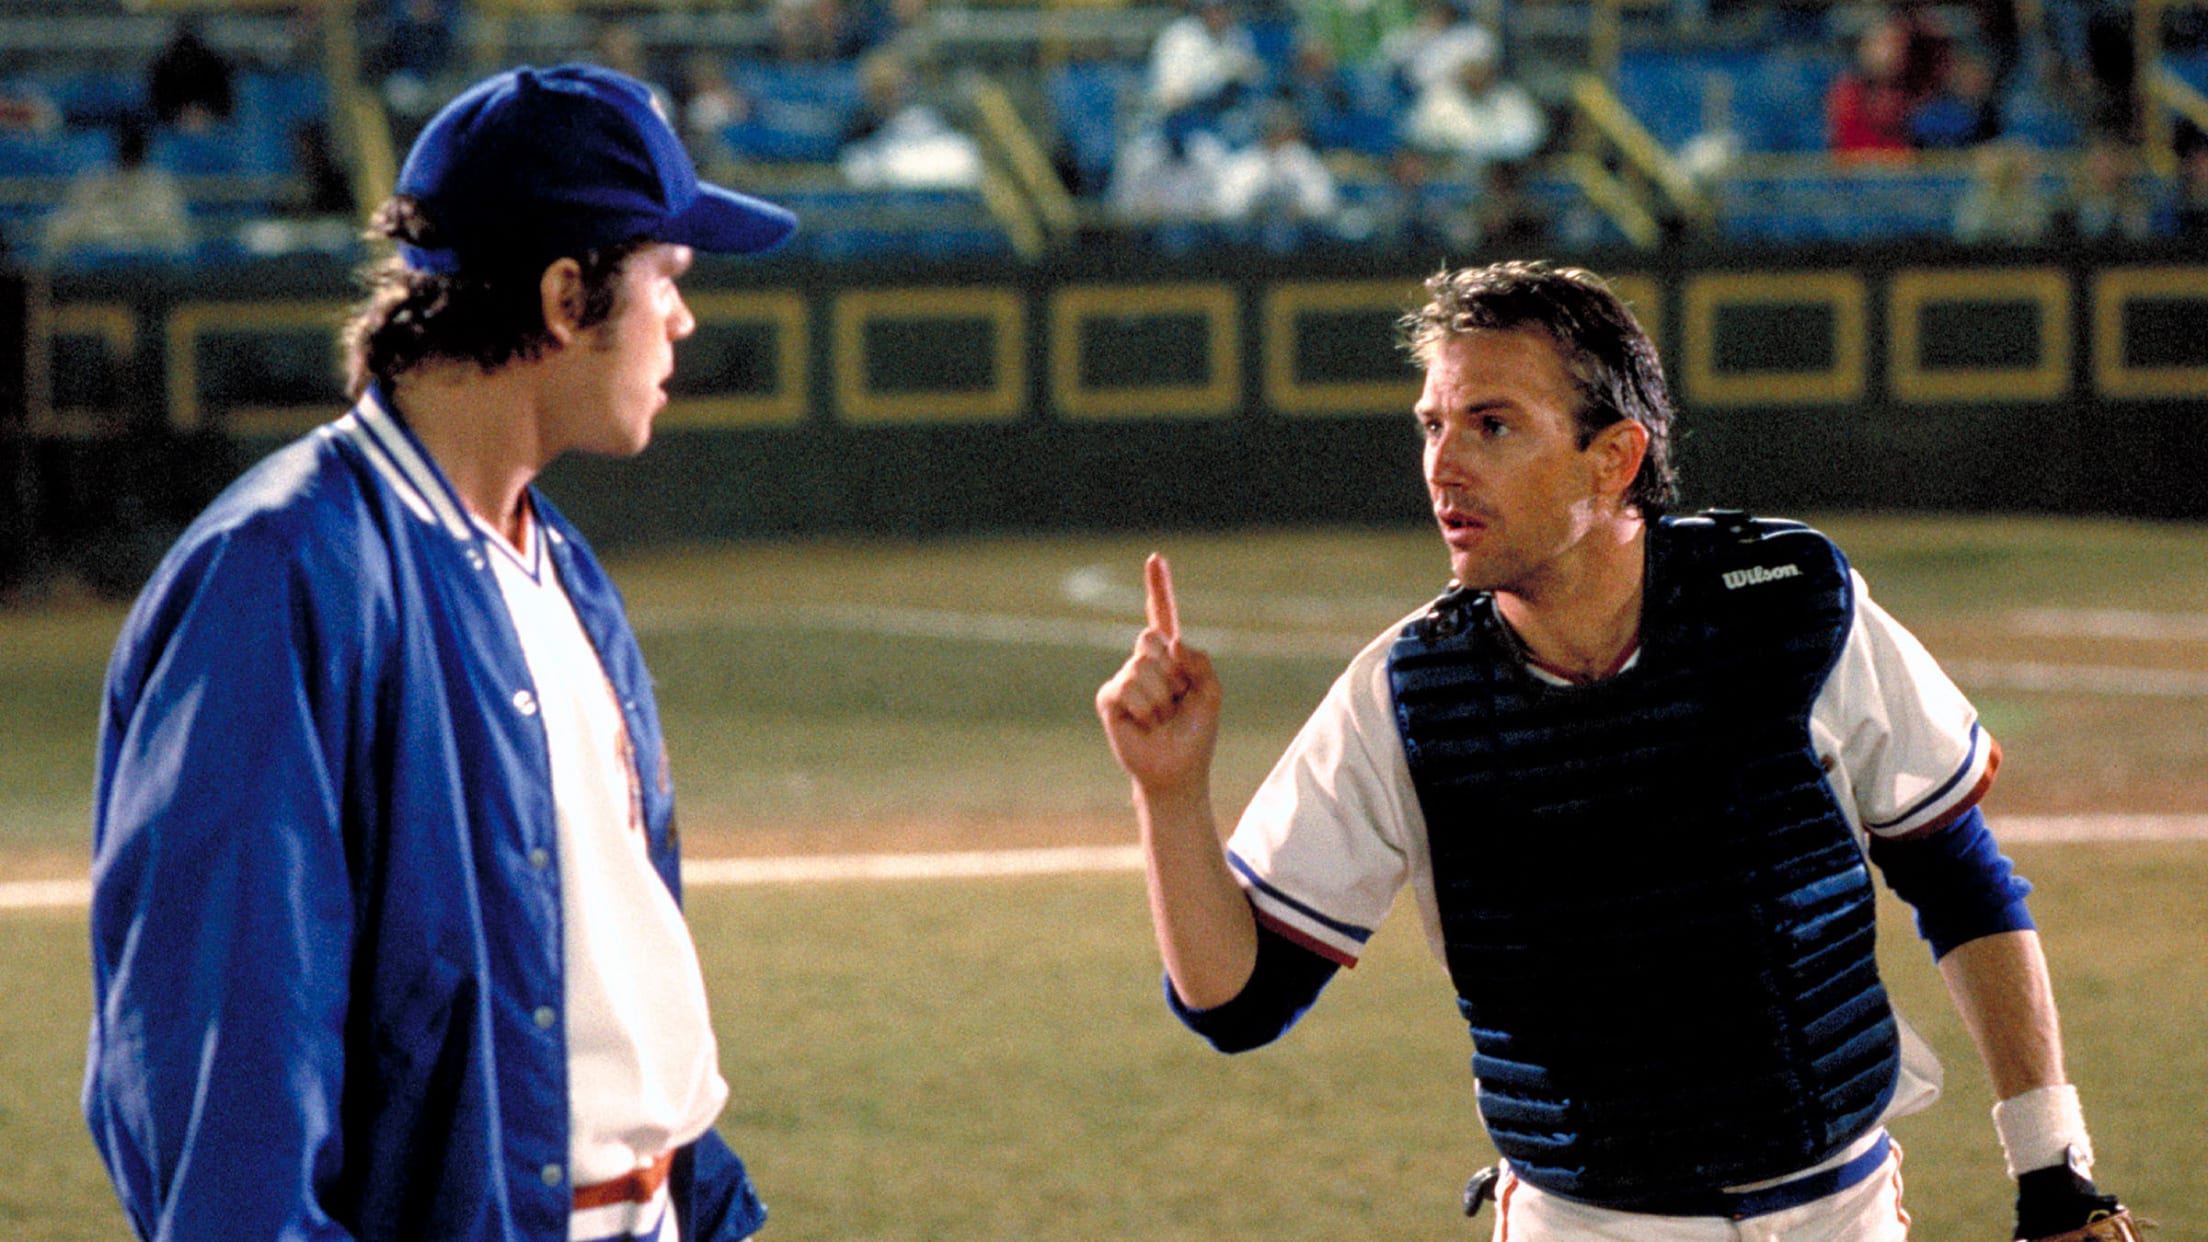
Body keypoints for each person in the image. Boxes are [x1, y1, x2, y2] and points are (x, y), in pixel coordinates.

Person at [1095, 261, 2144, 1241]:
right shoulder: (1407, 694)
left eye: (1492, 424)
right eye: (1433, 424)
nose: (1442, 464)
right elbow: (1240, 1001)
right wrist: (1171, 795)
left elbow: (1955, 874)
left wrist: (2051, 1167)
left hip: (1838, 1211)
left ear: (1616, 456)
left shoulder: (1789, 603)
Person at [83, 63, 798, 1242]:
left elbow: (619, 992)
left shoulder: (558, 566)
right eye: (666, 277)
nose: (684, 318)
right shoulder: (281, 576)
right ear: (567, 299)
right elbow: (225, 1087)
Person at [41, 117, 192, 259]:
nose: (129, 155)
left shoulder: (160, 185)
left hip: (150, 266)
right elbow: (63, 230)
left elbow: (179, 237)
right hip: (98, 261)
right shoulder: (93, 181)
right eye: (126, 148)